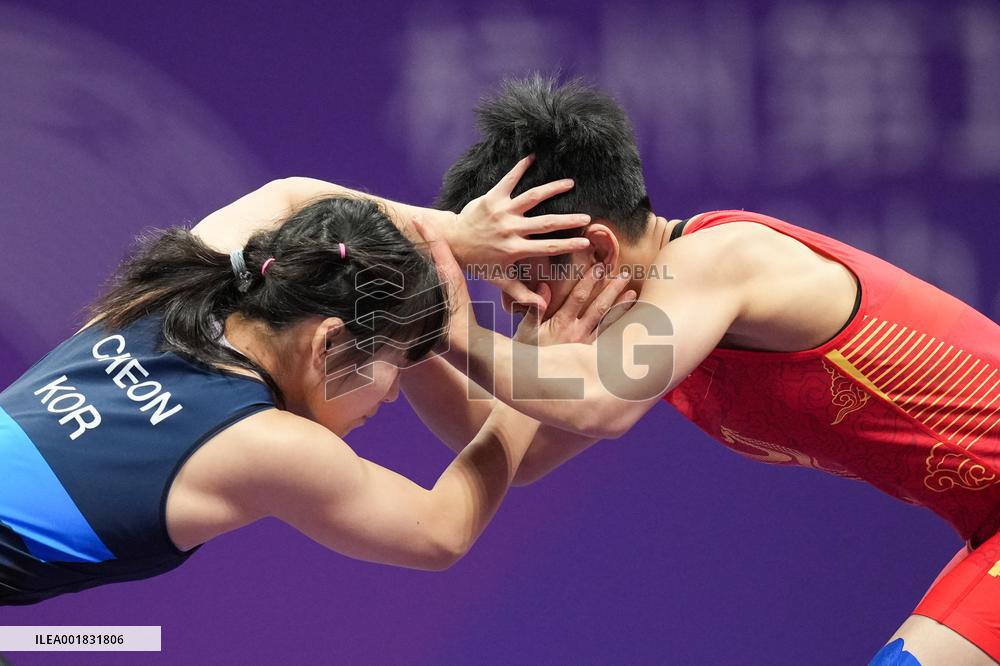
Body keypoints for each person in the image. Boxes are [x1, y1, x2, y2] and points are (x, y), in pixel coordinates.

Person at [404, 75, 1000, 665]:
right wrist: (413, 335)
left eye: (523, 281)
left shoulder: (718, 261)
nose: (514, 307)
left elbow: (597, 403)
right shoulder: (649, 328)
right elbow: (517, 449)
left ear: (600, 250)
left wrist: (460, 333)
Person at [0, 162, 615, 605]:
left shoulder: (185, 280)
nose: (392, 394)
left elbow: (290, 195)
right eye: (392, 364)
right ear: (327, 343)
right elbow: (442, 530)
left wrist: (456, 235)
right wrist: (535, 366)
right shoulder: (268, 444)